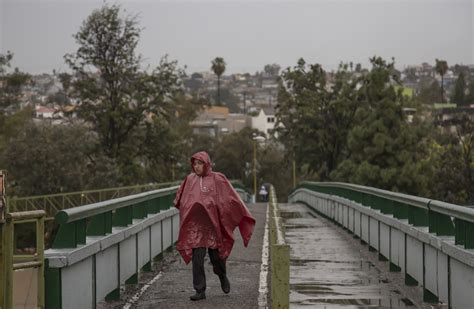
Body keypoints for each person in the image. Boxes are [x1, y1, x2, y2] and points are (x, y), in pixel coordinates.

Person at [173, 151, 256, 301]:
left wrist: (238, 213)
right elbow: (181, 198)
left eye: (200, 163)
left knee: (216, 259)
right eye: (195, 164)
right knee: (197, 259)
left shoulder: (218, 178)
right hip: (197, 228)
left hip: (213, 226)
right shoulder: (190, 180)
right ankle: (200, 290)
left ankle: (222, 276)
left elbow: (230, 198)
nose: (197, 166)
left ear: (207, 164)